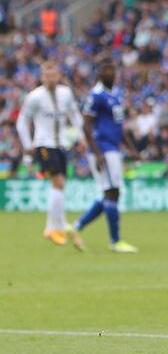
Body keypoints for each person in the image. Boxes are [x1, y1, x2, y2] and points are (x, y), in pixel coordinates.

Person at [15, 61, 85, 247]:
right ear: (41, 77)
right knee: (58, 182)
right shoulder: (34, 97)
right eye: (47, 76)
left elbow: (75, 115)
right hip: (43, 144)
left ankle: (54, 226)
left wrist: (82, 137)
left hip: (61, 144)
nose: (51, 79)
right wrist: (27, 145)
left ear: (59, 76)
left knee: (60, 187)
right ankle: (55, 228)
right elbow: (22, 122)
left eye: (54, 75)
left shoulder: (66, 93)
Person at [73, 56, 139, 253]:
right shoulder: (96, 95)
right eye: (106, 70)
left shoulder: (116, 94)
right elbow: (86, 125)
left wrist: (131, 148)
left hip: (114, 148)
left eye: (112, 69)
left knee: (111, 193)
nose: (110, 73)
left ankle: (77, 226)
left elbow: (120, 126)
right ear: (99, 73)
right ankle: (115, 241)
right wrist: (96, 151)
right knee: (112, 192)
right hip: (103, 148)